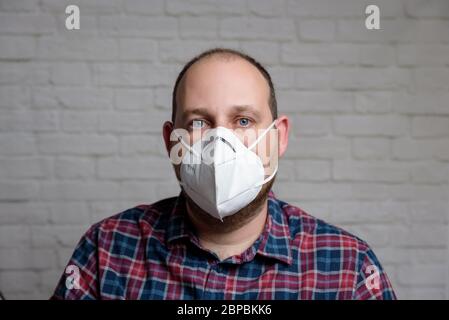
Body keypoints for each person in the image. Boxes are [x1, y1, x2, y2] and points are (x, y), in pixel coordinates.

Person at [51, 48, 396, 300]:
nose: (221, 142)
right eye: (199, 122)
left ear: (279, 138)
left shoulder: (347, 268)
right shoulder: (107, 250)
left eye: (243, 121)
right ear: (172, 141)